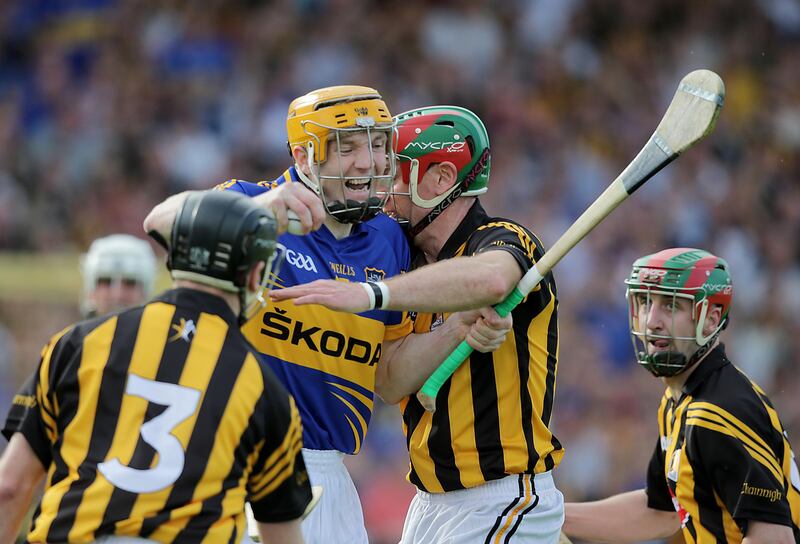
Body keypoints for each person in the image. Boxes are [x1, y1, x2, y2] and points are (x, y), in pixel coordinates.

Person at [142, 89, 509, 544]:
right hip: (235, 459)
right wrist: (256, 216)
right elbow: (160, 221)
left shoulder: (390, 242)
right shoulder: (247, 202)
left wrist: (458, 327)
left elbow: (389, 380)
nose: (367, 162)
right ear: (304, 155)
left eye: (377, 144)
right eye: (348, 146)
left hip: (329, 477)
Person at [273, 105, 565, 543]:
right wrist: (453, 330)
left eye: (395, 172)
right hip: (429, 504)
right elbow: (389, 384)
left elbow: (491, 278)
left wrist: (373, 294)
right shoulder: (405, 262)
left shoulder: (503, 238)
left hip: (499, 494)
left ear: (442, 179)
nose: (381, 189)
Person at [0, 191, 316, 544]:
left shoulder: (76, 344)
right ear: (253, 272)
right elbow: (282, 532)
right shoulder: (262, 387)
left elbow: (9, 488)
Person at [561, 248, 800, 543]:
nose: (651, 321)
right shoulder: (681, 400)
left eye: (671, 306)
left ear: (711, 319)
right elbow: (660, 512)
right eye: (646, 302)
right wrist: (552, 516)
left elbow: (774, 540)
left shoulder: (718, 413)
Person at [80, 233, 158, 318]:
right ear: (91, 291)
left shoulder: (162, 330)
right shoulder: (76, 331)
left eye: (130, 283)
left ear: (145, 292)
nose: (117, 294)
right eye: (107, 281)